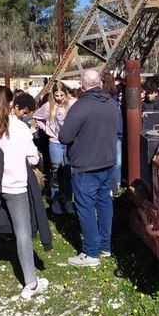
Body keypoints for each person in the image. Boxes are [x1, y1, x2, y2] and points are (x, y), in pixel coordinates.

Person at [0, 86, 48, 300]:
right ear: (12, 103)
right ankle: (30, 283)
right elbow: (33, 158)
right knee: (22, 234)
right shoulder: (21, 127)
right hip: (15, 185)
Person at [59, 70, 120, 267]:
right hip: (107, 161)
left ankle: (91, 253)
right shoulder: (112, 103)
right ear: (100, 83)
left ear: (82, 84)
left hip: (86, 164)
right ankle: (105, 246)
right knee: (104, 204)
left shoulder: (81, 106)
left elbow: (64, 137)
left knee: (85, 208)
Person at [32, 82, 76, 215]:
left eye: (62, 95)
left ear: (66, 93)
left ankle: (68, 200)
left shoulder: (73, 103)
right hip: (55, 142)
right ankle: (55, 200)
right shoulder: (48, 106)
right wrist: (46, 129)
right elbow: (36, 117)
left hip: (69, 142)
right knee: (55, 172)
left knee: (69, 171)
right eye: (56, 95)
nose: (59, 98)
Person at [101, 72, 123, 195]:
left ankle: (116, 184)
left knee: (116, 161)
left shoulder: (114, 98)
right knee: (114, 161)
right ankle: (113, 185)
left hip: (115, 133)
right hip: (111, 132)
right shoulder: (111, 99)